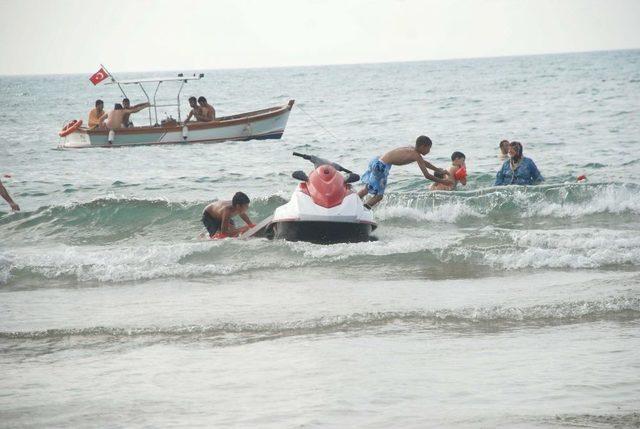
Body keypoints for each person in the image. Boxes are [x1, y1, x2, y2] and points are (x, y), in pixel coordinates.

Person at [357, 135, 452, 208]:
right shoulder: (416, 155)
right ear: (423, 146)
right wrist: (444, 182)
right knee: (379, 196)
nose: (429, 151)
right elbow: (427, 175)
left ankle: (353, 201)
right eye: (429, 148)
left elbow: (424, 163)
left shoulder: (411, 149)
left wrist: (438, 170)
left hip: (377, 161)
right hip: (382, 167)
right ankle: (364, 210)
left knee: (368, 188)